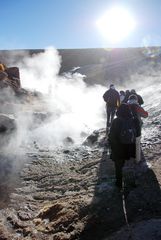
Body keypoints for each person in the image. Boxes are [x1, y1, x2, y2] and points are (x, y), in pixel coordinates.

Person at [108, 103, 140, 188]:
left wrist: (112, 148)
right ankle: (131, 182)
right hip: (131, 148)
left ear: (118, 111)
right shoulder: (135, 120)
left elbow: (111, 137)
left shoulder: (116, 121)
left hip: (119, 149)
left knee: (118, 167)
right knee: (130, 166)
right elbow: (138, 135)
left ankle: (119, 183)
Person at [127, 94, 148, 162]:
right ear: (136, 100)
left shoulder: (125, 106)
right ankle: (137, 160)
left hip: (127, 127)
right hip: (137, 126)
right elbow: (145, 115)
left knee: (129, 140)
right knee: (137, 142)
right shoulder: (137, 106)